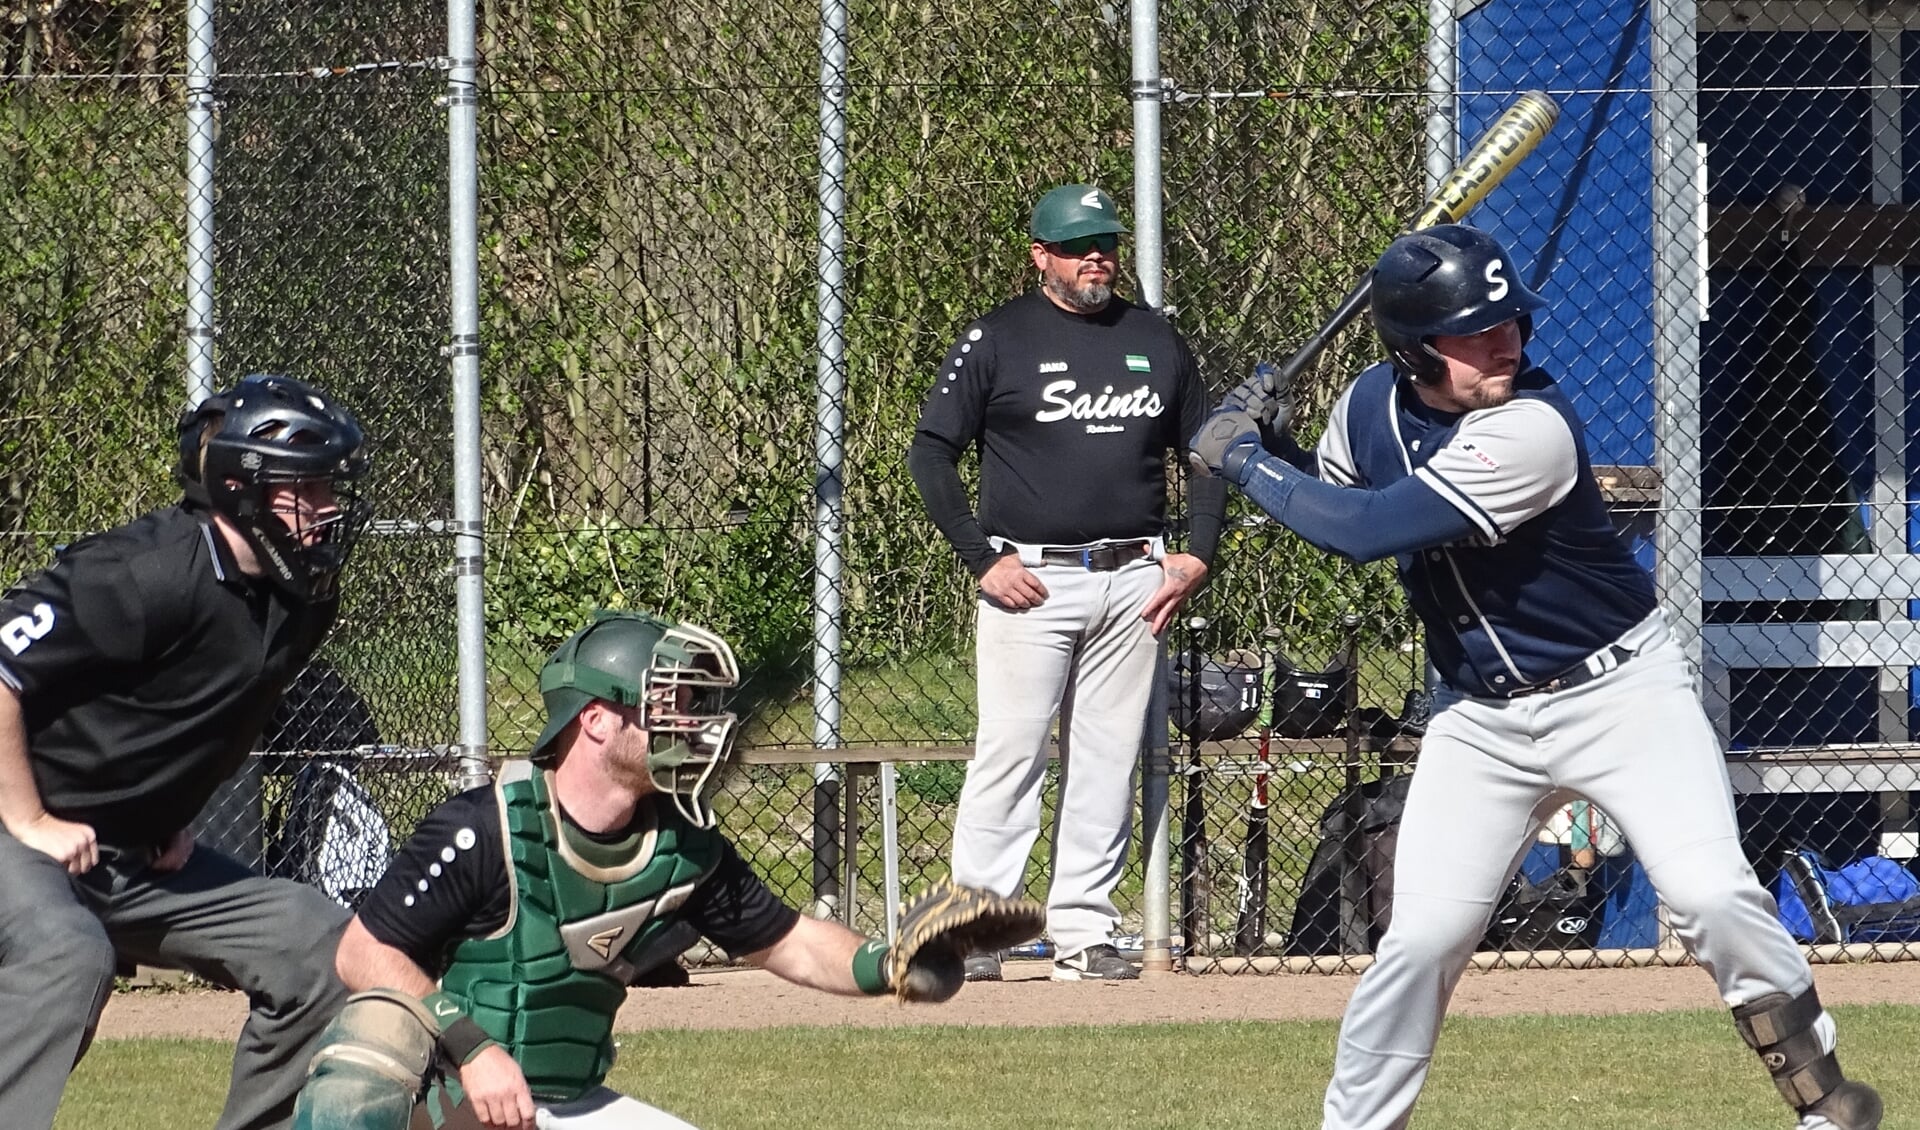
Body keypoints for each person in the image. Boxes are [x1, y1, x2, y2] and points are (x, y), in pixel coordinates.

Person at [1189, 223, 1882, 1130]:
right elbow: (1340, 494)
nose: (1505, 343)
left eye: (1512, 321)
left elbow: (1363, 532)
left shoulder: (1533, 426)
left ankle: (1825, 1098)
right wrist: (1279, 450)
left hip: (1620, 695)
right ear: (1409, 352)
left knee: (1713, 896)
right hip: (1482, 720)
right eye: (1476, 334)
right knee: (1421, 941)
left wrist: (1242, 458)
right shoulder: (1365, 405)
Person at [292, 610, 1005, 1130]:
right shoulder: (485, 828)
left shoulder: (682, 844)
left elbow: (789, 941)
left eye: (695, 706)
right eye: (672, 703)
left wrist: (891, 966)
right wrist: (474, 1049)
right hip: (451, 1103)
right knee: (367, 1047)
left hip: (566, 1104)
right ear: (596, 720)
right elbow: (363, 953)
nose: (695, 725)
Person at [0, 373, 372, 1130]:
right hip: (17, 830)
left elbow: (201, 710)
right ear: (241, 487)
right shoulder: (144, 573)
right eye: (309, 486)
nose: (330, 506)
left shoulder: (305, 596)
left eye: (333, 484)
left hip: (124, 854)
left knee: (321, 945)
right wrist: (31, 820)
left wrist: (165, 811)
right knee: (65, 956)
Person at [906, 183, 1227, 982]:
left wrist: (1197, 551)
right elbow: (931, 452)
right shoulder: (999, 338)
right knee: (1011, 753)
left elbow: (1210, 446)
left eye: (1107, 242)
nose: (1097, 257)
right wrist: (984, 558)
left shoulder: (1154, 337)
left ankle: (1083, 932)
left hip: (1136, 578)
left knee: (1107, 755)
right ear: (1039, 254)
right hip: (1032, 579)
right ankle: (979, 926)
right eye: (1078, 244)